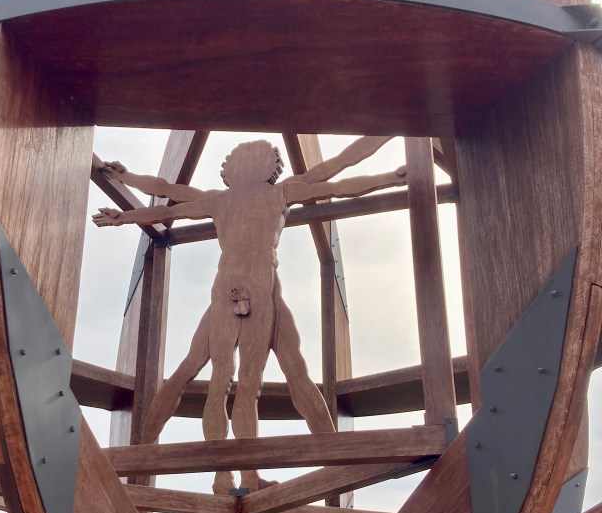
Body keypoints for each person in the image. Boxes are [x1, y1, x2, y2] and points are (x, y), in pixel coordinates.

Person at [93, 136, 406, 493]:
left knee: (223, 375)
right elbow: (337, 175)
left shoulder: (226, 199)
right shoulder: (276, 193)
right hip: (252, 290)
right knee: (240, 383)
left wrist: (125, 199)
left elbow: (166, 198)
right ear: (268, 167)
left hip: (243, 290)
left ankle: (247, 470)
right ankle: (232, 474)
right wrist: (388, 175)